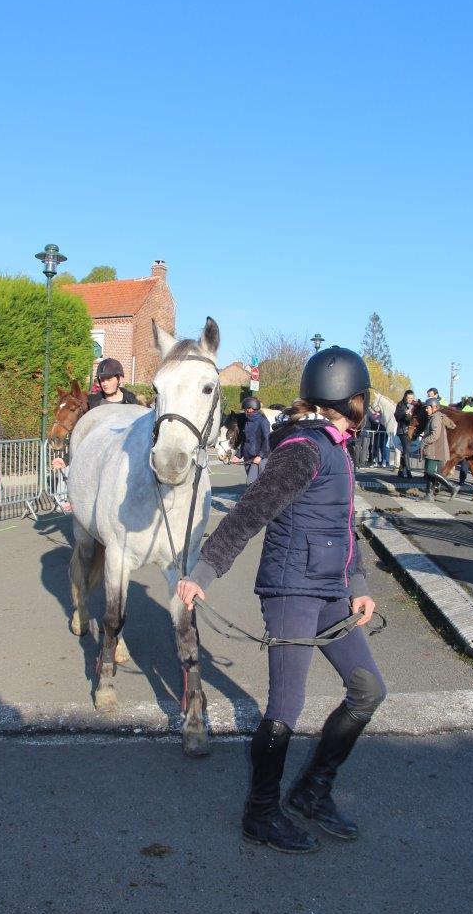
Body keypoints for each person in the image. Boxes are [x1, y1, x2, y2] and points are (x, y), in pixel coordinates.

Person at [177, 346, 386, 855]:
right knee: (286, 706)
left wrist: (357, 585)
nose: (365, 404)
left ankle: (312, 791)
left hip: (330, 590)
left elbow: (342, 526)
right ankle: (261, 813)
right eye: (363, 397)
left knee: (368, 690)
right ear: (349, 397)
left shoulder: (338, 445)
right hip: (292, 589)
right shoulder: (304, 450)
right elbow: (250, 511)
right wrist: (205, 570)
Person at [420, 398, 458, 500]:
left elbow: (435, 435)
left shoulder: (435, 418)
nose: (426, 410)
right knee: (429, 473)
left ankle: (452, 486)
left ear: (434, 407)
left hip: (434, 449)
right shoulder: (435, 416)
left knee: (429, 471)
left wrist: (424, 441)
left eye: (427, 407)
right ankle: (429, 495)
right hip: (435, 448)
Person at [231, 396, 271, 485]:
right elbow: (245, 441)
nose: (244, 411)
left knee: (251, 482)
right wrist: (238, 456)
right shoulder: (247, 421)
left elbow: (267, 440)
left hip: (258, 458)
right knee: (254, 483)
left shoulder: (263, 421)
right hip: (247, 456)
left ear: (250, 409)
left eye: (245, 409)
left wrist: (260, 456)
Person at [394, 389, 416, 478]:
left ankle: (400, 470)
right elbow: (397, 416)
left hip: (411, 430)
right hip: (402, 430)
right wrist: (405, 414)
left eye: (412, 398)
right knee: (407, 450)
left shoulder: (414, 405)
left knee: (406, 450)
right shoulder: (400, 404)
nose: (410, 399)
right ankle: (408, 471)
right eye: (409, 398)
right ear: (405, 397)